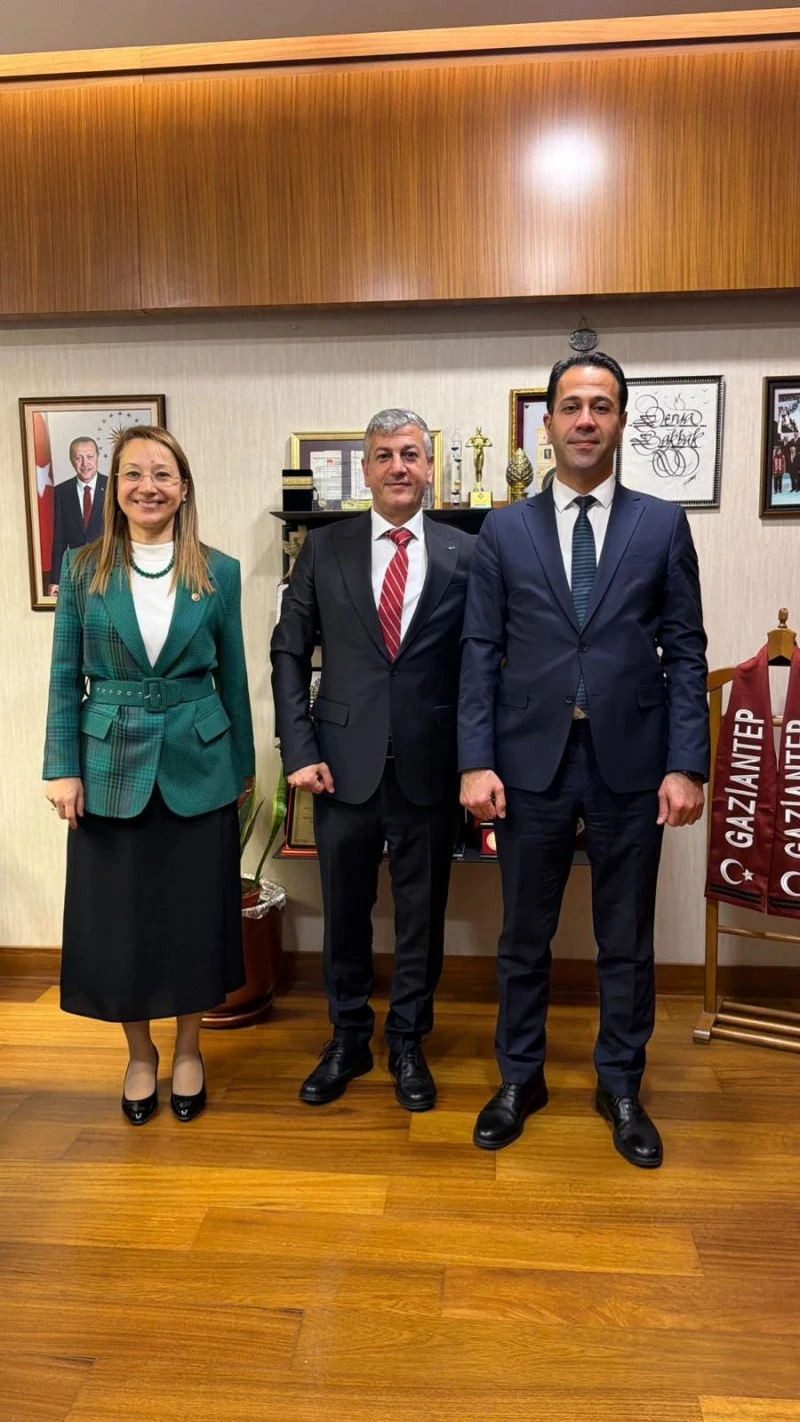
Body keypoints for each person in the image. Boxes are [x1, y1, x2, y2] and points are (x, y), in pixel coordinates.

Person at [459, 353, 709, 1168]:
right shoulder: (504, 530)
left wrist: (687, 764)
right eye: (572, 406)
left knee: (625, 938)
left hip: (631, 763)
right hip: (527, 762)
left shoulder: (661, 524)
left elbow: (685, 651)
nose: (586, 420)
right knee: (523, 935)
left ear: (621, 421)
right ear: (550, 424)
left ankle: (621, 1086)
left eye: (602, 406)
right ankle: (518, 1079)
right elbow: (480, 650)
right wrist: (475, 760)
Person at [43, 426, 255, 1125]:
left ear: (183, 487)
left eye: (163, 474)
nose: (148, 486)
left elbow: (233, 677)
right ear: (114, 488)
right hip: (109, 768)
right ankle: (140, 1056)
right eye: (133, 473)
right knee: (121, 925)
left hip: (200, 764)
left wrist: (243, 769)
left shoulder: (218, 571)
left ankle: (190, 1048)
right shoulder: (82, 569)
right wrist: (62, 769)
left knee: (194, 920)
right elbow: (63, 676)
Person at [271, 409, 473, 1112]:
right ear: (364, 469)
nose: (397, 467)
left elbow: (483, 661)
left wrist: (477, 758)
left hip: (430, 763)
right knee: (345, 913)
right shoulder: (323, 549)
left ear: (429, 467)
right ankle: (349, 1036)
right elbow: (288, 650)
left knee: (422, 916)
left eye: (410, 454)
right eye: (384, 455)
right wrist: (299, 748)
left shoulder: (465, 553)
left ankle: (409, 1041)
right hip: (338, 766)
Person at [48, 437, 108, 594]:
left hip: (108, 571)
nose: (85, 464)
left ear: (97, 457)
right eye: (78, 458)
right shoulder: (61, 492)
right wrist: (55, 580)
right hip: (76, 574)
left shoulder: (114, 488)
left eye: (89, 457)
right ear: (71, 461)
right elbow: (59, 540)